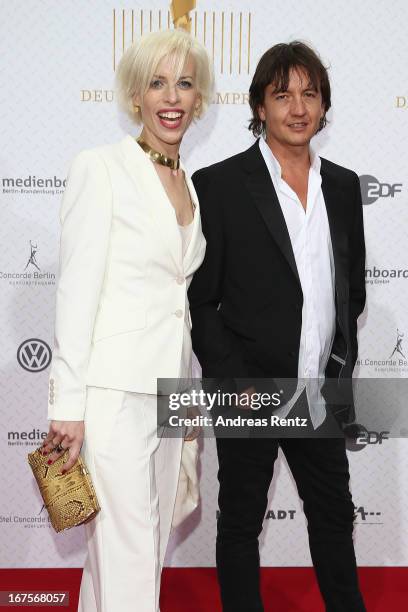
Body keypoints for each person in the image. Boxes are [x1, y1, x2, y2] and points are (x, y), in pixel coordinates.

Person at [188, 41, 366, 611]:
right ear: (259, 106)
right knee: (240, 522)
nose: (298, 107)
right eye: (282, 94)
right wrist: (234, 378)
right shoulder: (218, 184)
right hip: (249, 388)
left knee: (335, 516)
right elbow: (200, 300)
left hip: (316, 389)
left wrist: (339, 365)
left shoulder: (341, 185)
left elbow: (350, 288)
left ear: (323, 105)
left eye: (309, 94)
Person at [41, 28, 213, 612]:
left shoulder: (189, 184)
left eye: (184, 84)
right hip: (112, 393)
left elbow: (178, 304)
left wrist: (188, 408)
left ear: (199, 99)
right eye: (157, 83)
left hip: (169, 395)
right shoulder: (102, 168)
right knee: (131, 556)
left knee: (132, 553)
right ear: (136, 95)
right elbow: (76, 291)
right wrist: (67, 405)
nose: (172, 96)